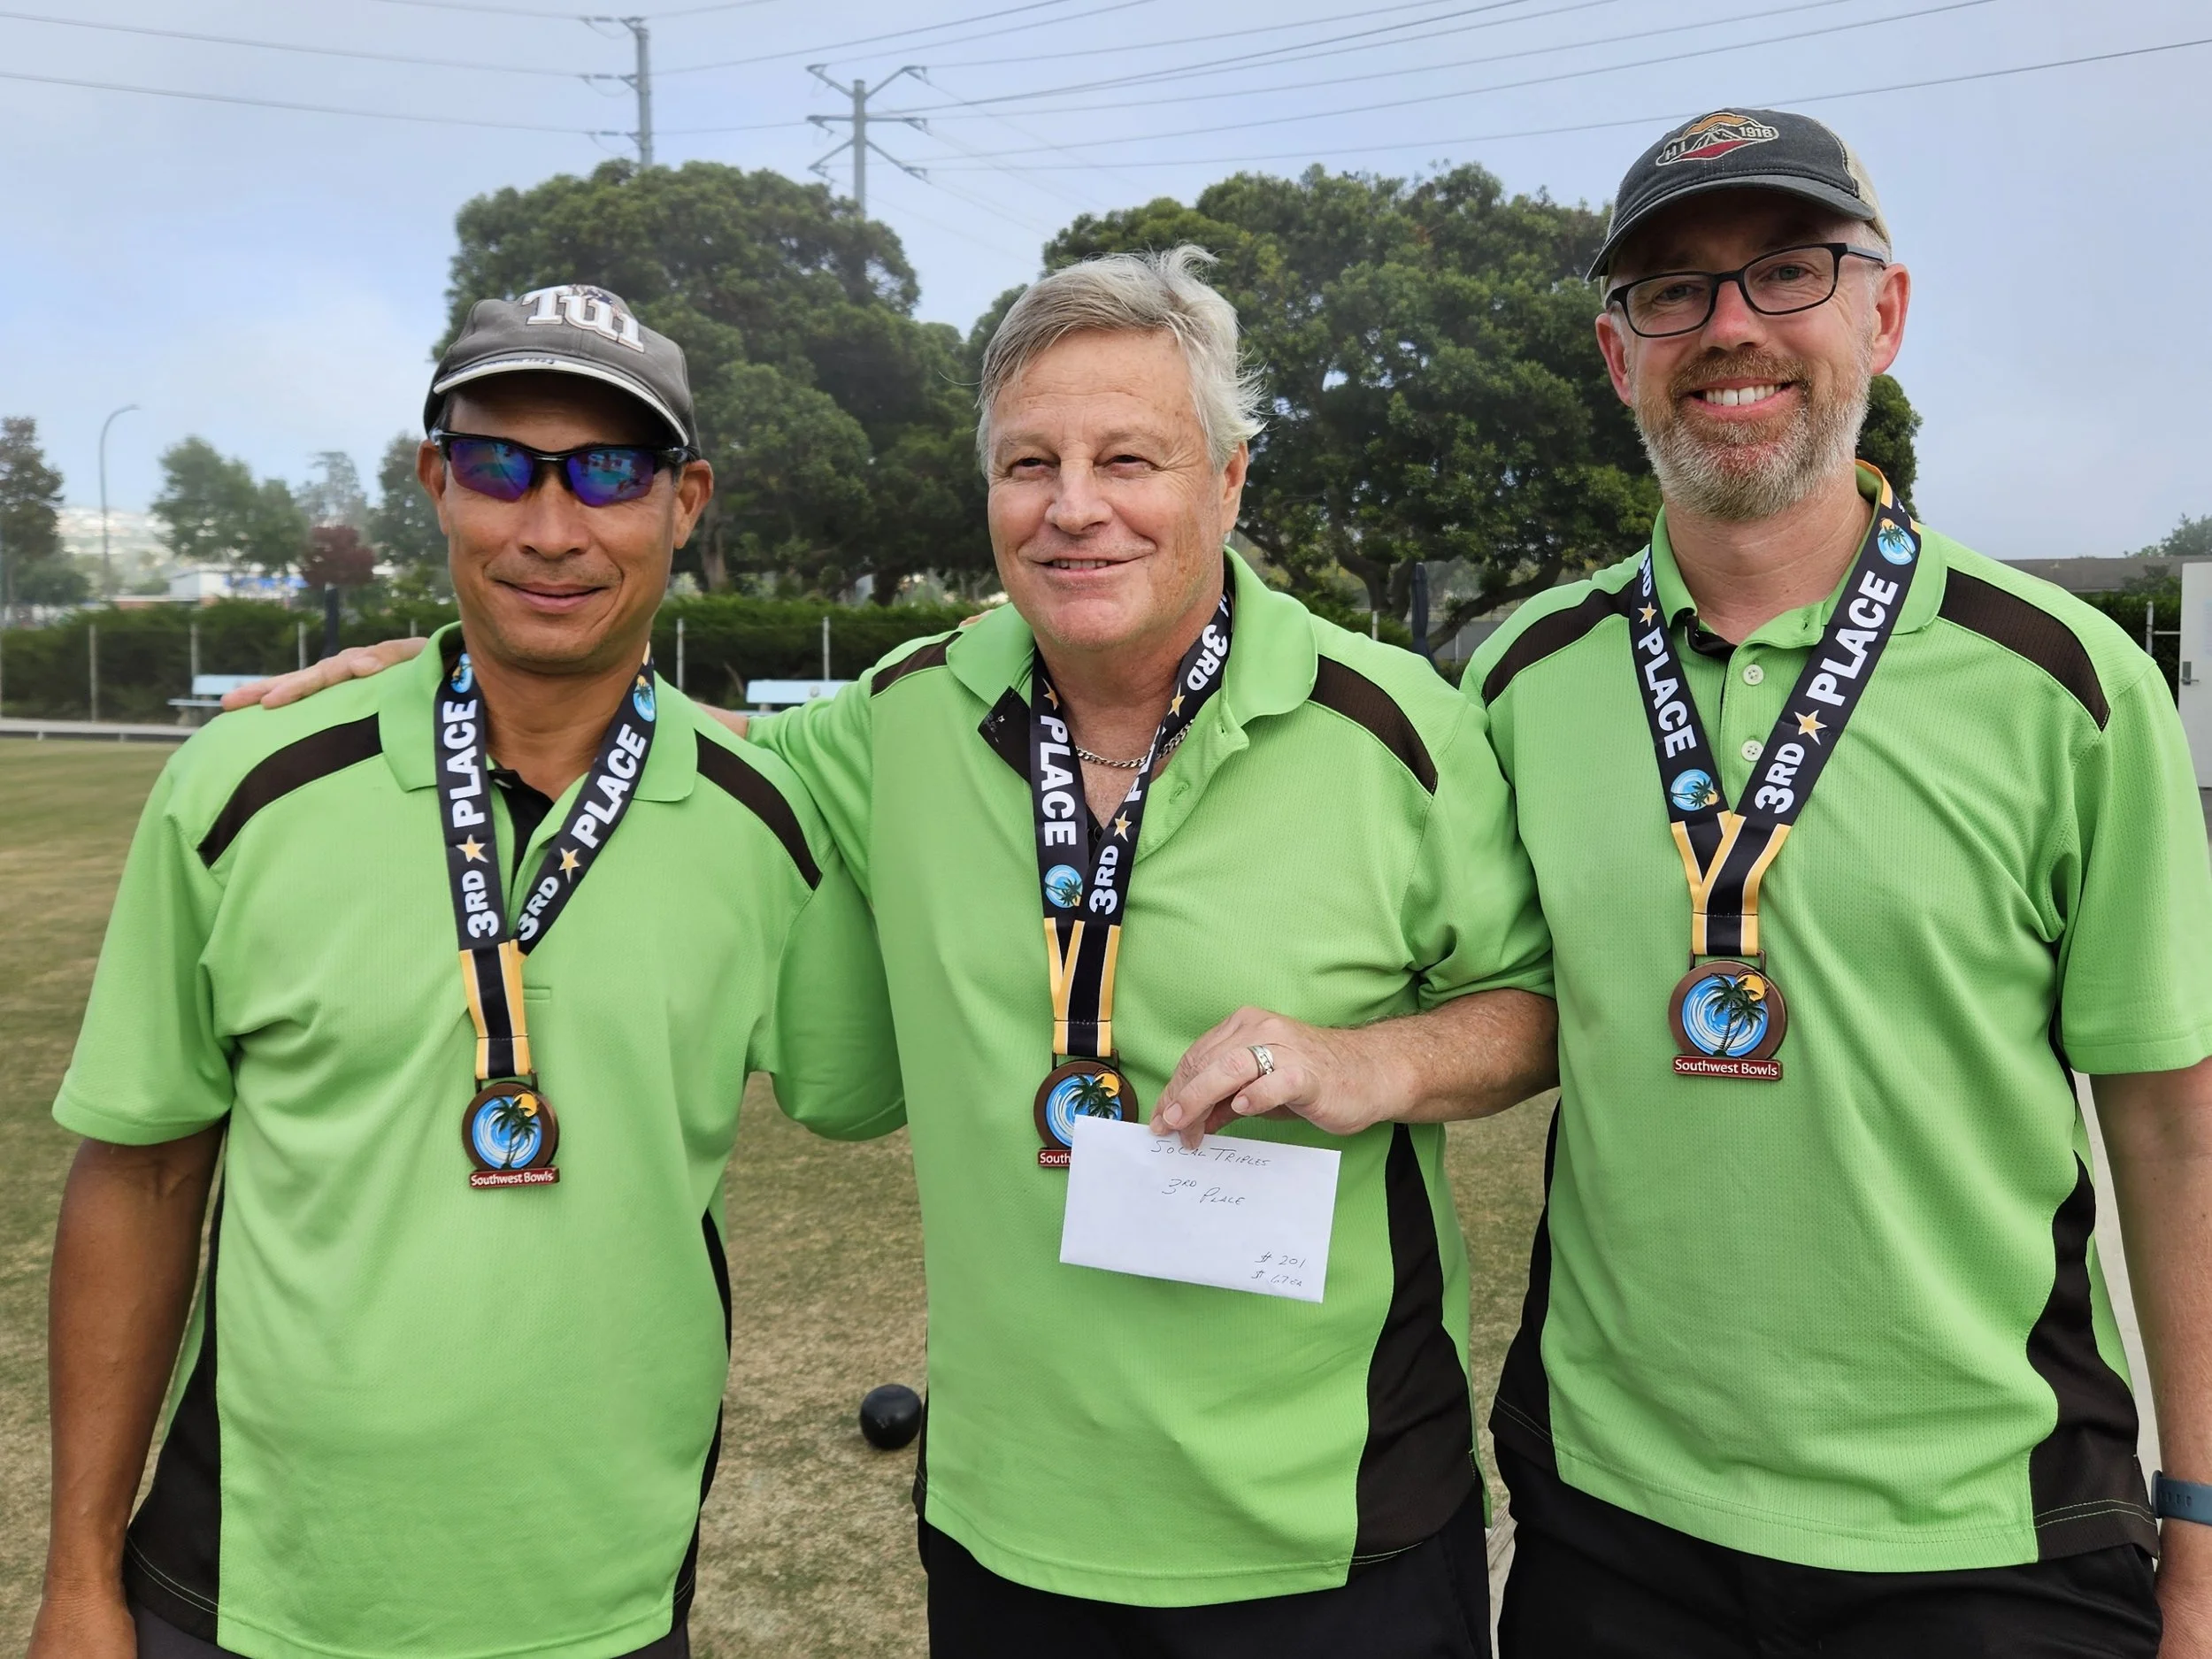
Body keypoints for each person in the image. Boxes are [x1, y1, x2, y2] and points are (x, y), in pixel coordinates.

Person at [223, 247, 1561, 1655]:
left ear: (1228, 481)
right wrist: (442, 663)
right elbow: (679, 742)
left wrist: (1372, 1059)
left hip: (1338, 1533)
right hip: (1006, 1531)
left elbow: (1533, 1005)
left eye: (1129, 458)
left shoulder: (1394, 725)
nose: (1074, 507)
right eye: (1029, 463)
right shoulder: (904, 713)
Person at [31, 286, 901, 1659]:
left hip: (598, 1600)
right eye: (502, 465)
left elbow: (889, 1082)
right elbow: (139, 1174)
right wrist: (78, 1578)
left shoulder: (763, 817)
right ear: (438, 481)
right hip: (245, 1594)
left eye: (611, 472)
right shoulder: (245, 785)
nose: (550, 528)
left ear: (687, 502)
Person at [1462, 110, 2212, 1655]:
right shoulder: (1521, 679)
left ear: (1885, 312)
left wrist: (2200, 1523)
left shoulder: (2067, 685)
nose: (1728, 327)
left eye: (1786, 271)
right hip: (1616, 1524)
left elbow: (2172, 1127)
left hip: (1985, 1537)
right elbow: (1472, 999)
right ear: (1620, 355)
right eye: (1672, 290)